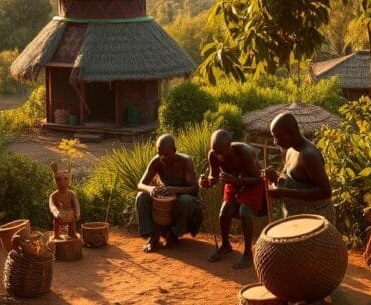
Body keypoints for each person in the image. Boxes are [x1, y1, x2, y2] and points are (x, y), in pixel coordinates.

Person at [201, 129, 263, 269]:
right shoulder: (213, 155)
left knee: (244, 212)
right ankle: (225, 245)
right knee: (224, 212)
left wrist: (235, 180)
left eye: (221, 151)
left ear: (229, 146)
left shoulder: (244, 152)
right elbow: (214, 176)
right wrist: (207, 182)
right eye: (215, 151)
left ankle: (247, 253)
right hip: (233, 182)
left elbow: (256, 178)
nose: (219, 156)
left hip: (250, 182)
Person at [262, 112, 334, 223]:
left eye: (278, 137)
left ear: (291, 133)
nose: (275, 142)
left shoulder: (309, 155)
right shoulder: (288, 150)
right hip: (295, 220)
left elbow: (325, 192)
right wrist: (275, 179)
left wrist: (283, 192)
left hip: (315, 223)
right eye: (274, 137)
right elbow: (296, 184)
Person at [135, 134, 202, 252]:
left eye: (166, 154)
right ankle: (153, 235)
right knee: (141, 197)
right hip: (166, 197)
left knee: (185, 200)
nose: (162, 157)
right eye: (159, 153)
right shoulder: (156, 161)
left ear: (175, 151)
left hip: (184, 199)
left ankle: (173, 235)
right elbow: (140, 185)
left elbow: (194, 189)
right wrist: (151, 189)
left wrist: (174, 190)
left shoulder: (185, 161)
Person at [49, 163, 81, 239]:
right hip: (60, 215)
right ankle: (56, 235)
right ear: (55, 180)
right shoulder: (54, 195)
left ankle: (72, 233)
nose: (62, 182)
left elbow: (76, 204)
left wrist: (77, 212)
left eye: (65, 179)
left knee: (72, 222)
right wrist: (56, 212)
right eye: (58, 180)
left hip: (70, 214)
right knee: (56, 222)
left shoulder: (71, 194)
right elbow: (52, 206)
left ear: (69, 180)